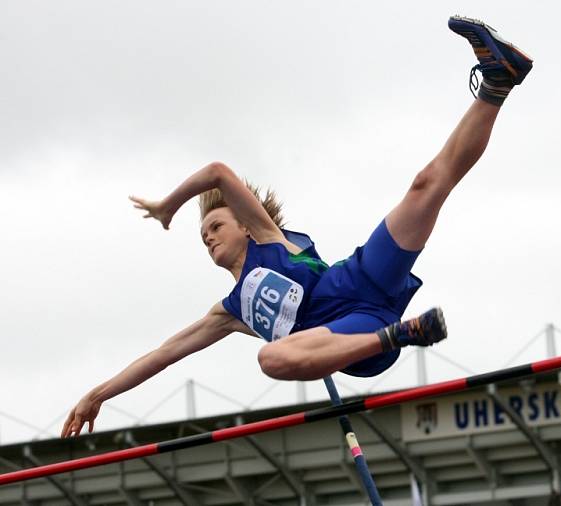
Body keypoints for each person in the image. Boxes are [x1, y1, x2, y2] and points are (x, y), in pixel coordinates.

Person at [61, 16, 533, 438]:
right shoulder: (229, 312)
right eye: (201, 234)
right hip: (351, 336)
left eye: (215, 223)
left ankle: (497, 81)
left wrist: (170, 205)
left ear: (244, 226)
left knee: (425, 185)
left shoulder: (267, 235)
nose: (206, 235)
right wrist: (98, 394)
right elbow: (162, 355)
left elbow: (218, 172)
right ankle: (401, 334)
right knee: (269, 358)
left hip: (357, 278)